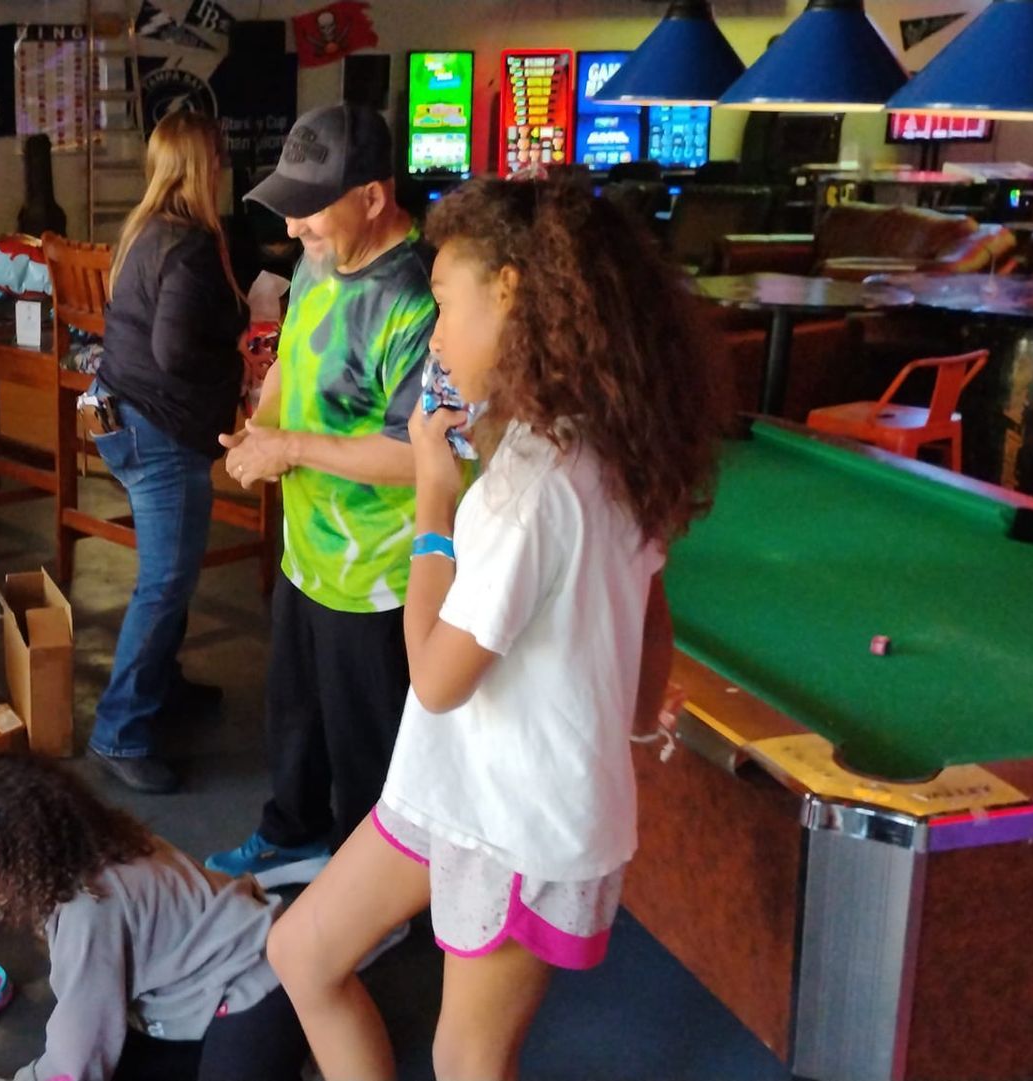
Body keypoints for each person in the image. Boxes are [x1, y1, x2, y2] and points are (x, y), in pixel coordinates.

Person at [266, 178, 725, 1080]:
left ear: (514, 297)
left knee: (468, 1059)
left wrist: (433, 499)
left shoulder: (537, 487)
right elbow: (649, 614)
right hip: (456, 785)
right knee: (303, 952)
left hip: (515, 818)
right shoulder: (598, 442)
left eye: (444, 303)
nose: (434, 333)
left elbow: (435, 679)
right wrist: (631, 720)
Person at [206, 104, 437, 888]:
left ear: (373, 196)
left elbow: (419, 456)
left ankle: (366, 893)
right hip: (307, 552)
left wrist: (291, 449)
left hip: (379, 575)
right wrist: (259, 427)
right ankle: (290, 831)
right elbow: (287, 364)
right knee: (294, 717)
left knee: (368, 746)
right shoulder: (315, 261)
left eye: (313, 204)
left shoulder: (418, 297)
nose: (296, 225)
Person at [0, 754, 308, 1081]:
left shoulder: (88, 908)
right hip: (258, 967)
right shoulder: (95, 842)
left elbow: (80, 1046)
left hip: (255, 996)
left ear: (20, 853)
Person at [82, 109, 249, 794]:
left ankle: (163, 688)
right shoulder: (190, 244)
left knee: (168, 574)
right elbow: (175, 350)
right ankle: (119, 731)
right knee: (165, 583)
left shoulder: (142, 229)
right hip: (159, 433)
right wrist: (238, 372)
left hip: (123, 419)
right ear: (205, 165)